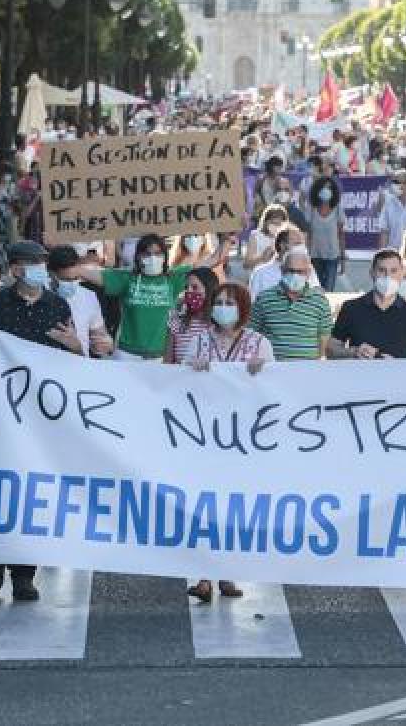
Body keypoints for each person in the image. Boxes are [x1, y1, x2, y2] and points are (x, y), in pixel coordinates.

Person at [0, 240, 81, 601]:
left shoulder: (57, 304)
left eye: (42, 263)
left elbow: (74, 361)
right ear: (16, 269)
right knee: (3, 486)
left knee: (35, 489)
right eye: (32, 263)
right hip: (5, 411)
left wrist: (76, 346)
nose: (39, 268)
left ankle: (24, 573)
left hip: (44, 413)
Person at [182, 284, 271, 601]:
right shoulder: (200, 340)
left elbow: (275, 390)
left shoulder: (259, 343)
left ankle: (228, 574)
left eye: (230, 303)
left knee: (234, 509)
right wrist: (193, 370)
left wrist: (263, 372)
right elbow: (179, 385)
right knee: (204, 507)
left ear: (243, 307)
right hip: (205, 435)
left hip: (244, 438)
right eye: (218, 302)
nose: (223, 308)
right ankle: (204, 576)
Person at [81, 233, 189, 360]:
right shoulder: (127, 278)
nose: (152, 257)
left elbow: (209, 265)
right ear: (138, 257)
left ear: (165, 256)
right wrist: (74, 268)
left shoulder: (173, 279)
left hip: (158, 356)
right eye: (147, 254)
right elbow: (98, 276)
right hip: (127, 353)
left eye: (158, 253)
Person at [328, 249, 406, 360]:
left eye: (393, 271)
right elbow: (330, 350)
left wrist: (401, 365)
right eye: (382, 270)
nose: (388, 276)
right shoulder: (351, 308)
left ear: (401, 274)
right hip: (359, 376)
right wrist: (353, 352)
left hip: (397, 376)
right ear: (372, 273)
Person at [248, 249, 334, 361]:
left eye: (300, 271)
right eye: (291, 271)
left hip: (306, 371)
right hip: (272, 370)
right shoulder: (264, 298)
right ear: (282, 270)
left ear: (308, 273)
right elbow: (251, 334)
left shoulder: (320, 301)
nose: (295, 275)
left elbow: (324, 339)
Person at [49, 245, 113, 358]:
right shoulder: (39, 296)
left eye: (75, 279)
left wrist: (104, 343)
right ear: (52, 274)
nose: (72, 284)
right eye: (66, 280)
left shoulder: (89, 296)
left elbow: (98, 333)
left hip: (80, 363)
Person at [249, 224, 323, 298]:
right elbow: (252, 303)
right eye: (297, 243)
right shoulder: (260, 274)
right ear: (282, 245)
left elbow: (318, 295)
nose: (302, 247)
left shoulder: (308, 270)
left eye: (303, 244)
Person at [164, 267, 219, 364]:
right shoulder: (176, 321)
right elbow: (167, 364)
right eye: (186, 287)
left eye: (194, 287)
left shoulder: (220, 323)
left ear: (209, 289)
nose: (189, 291)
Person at [243, 204, 289, 272]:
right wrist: (262, 257)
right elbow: (246, 265)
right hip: (260, 277)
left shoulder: (287, 237)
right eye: (273, 223)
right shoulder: (256, 236)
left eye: (280, 224)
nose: (276, 227)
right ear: (265, 222)